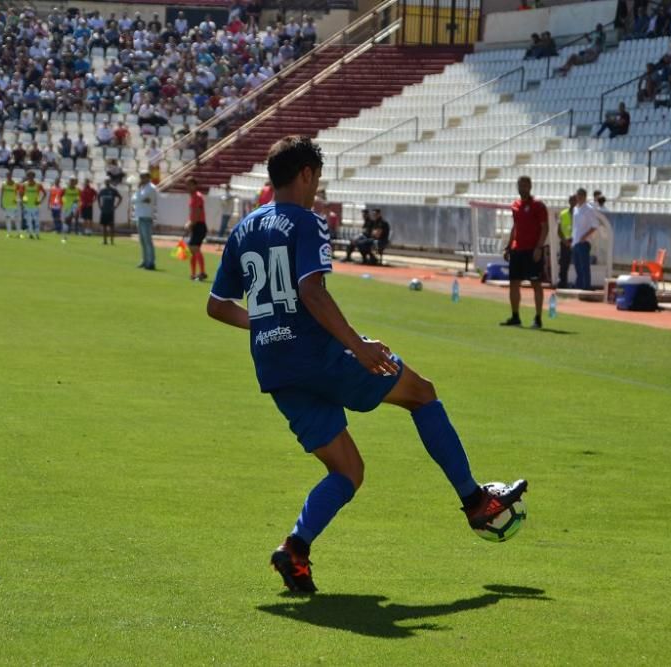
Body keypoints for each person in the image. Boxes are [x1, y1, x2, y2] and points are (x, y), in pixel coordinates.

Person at [206, 135, 527, 593]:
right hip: (320, 356)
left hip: (275, 368)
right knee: (422, 394)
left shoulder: (243, 230)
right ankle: (476, 502)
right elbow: (312, 292)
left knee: (347, 472)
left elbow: (217, 306)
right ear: (305, 175)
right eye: (316, 179)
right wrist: (357, 346)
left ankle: (295, 548)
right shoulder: (306, 222)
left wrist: (264, 324)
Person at [501, 176, 549, 329]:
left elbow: (545, 228)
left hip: (532, 250)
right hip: (517, 250)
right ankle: (515, 317)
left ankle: (538, 318)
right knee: (514, 283)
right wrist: (509, 246)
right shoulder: (515, 205)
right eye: (520, 185)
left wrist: (539, 248)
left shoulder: (538, 205)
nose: (522, 188)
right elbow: (515, 227)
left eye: (525, 185)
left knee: (536, 283)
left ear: (530, 186)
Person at [571, 188, 608, 290]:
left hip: (584, 242)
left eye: (581, 195)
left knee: (584, 267)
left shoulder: (588, 209)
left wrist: (585, 236)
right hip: (575, 241)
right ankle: (579, 287)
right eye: (577, 195)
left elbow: (595, 225)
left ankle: (586, 287)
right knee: (577, 267)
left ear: (584, 196)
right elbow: (575, 226)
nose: (578, 197)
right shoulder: (575, 208)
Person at [133, 171, 158, 270]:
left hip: (146, 216)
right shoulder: (142, 188)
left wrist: (138, 198)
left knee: (147, 240)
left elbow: (139, 198)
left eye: (143, 177)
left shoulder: (151, 188)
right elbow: (134, 199)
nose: (141, 179)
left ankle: (151, 262)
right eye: (141, 177)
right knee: (142, 241)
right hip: (140, 215)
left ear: (148, 177)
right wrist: (139, 198)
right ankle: (144, 260)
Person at [185, 178, 208, 281]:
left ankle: (202, 272)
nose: (188, 187)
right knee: (192, 249)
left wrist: (191, 223)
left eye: (190, 185)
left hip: (199, 225)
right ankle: (193, 273)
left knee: (195, 248)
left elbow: (198, 212)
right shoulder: (193, 197)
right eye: (187, 185)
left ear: (195, 185)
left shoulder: (197, 197)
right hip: (196, 225)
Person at [557, 195, 576, 289]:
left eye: (575, 200)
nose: (573, 202)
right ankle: (562, 283)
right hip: (565, 242)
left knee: (578, 264)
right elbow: (559, 230)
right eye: (571, 200)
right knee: (564, 263)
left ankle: (578, 283)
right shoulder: (563, 213)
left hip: (576, 242)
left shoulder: (579, 214)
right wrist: (565, 241)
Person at [20, 171, 46, 240]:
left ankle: (37, 234)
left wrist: (40, 201)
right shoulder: (24, 185)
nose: (30, 177)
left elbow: (44, 193)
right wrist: (23, 200)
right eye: (29, 176)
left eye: (31, 176)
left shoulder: (38, 185)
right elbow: (20, 194)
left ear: (34, 176)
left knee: (36, 220)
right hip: (27, 206)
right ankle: (30, 234)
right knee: (29, 221)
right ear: (27, 176)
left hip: (35, 206)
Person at [97, 180, 122, 245]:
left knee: (111, 226)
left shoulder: (113, 190)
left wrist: (116, 206)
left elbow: (120, 197)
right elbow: (98, 197)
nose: (107, 183)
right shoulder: (103, 190)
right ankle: (105, 241)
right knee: (104, 226)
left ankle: (112, 241)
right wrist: (99, 205)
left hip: (110, 211)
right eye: (106, 182)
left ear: (109, 183)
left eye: (108, 182)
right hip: (104, 210)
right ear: (105, 183)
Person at [0, 173, 22, 237]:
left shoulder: (16, 184)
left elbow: (20, 192)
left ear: (11, 176)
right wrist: (1, 203)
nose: (8, 177)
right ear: (6, 177)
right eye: (7, 176)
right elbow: (2, 194)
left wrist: (18, 200)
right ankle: (9, 233)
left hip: (14, 203)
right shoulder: (4, 184)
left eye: (9, 176)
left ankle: (19, 233)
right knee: (7, 218)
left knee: (16, 219)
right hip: (6, 203)